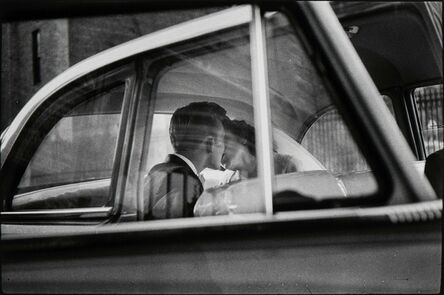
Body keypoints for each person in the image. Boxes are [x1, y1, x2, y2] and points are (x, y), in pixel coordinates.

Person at [144, 101, 228, 219]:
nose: (225, 147)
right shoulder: (188, 182)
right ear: (210, 143)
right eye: (223, 139)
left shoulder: (157, 170)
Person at [222, 119, 298, 180]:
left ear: (242, 138)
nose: (219, 150)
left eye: (224, 140)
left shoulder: (285, 165)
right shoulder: (227, 182)